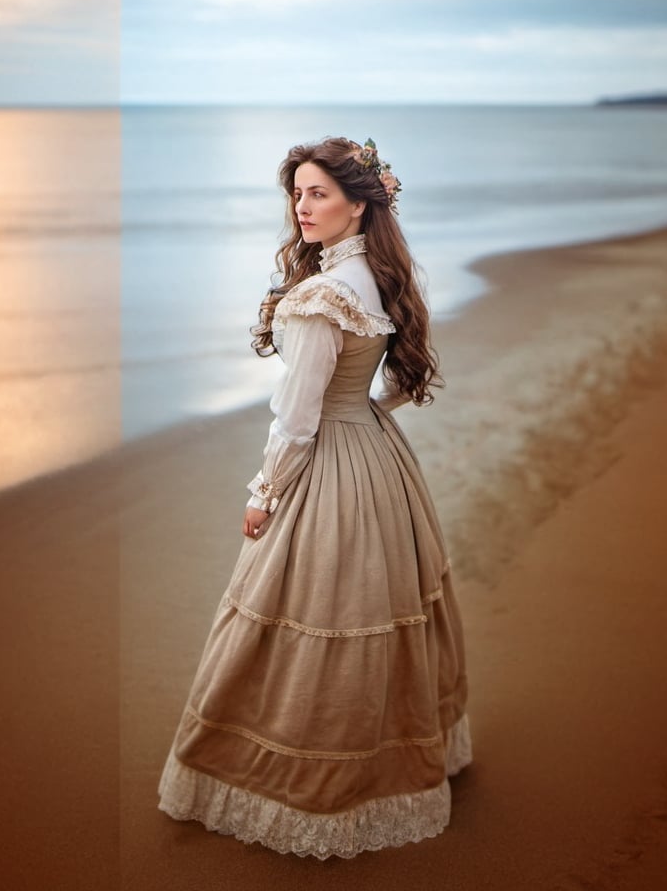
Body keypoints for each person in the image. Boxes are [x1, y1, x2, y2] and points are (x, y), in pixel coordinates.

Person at [157, 136, 471, 859]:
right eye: (296, 193)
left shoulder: (320, 296)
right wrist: (359, 422)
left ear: (359, 203)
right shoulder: (379, 274)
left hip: (328, 462)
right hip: (378, 458)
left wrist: (264, 494)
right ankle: (403, 762)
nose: (302, 206)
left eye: (318, 193)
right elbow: (382, 384)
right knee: (380, 608)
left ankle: (304, 783)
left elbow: (296, 419)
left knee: (295, 616)